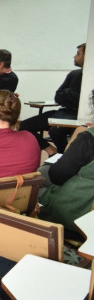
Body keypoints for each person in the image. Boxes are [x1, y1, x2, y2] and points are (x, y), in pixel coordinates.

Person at [37, 90, 94, 234]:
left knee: (31, 188)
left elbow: (58, 176)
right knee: (42, 172)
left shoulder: (88, 139)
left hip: (76, 219)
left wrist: (79, 136)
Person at [17, 43, 85, 155]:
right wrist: (71, 95)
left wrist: (68, 92)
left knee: (56, 131)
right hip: (63, 112)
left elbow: (84, 101)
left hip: (78, 115)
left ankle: (64, 155)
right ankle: (51, 150)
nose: (74, 56)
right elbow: (58, 97)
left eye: (78, 54)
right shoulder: (74, 74)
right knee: (23, 126)